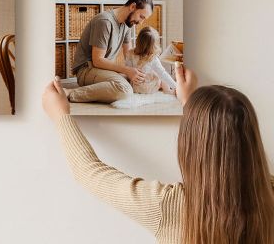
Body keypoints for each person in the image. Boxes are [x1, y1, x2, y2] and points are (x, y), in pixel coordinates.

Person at [43, 64, 274, 243]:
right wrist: (191, 106)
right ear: (251, 136)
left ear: (190, 144)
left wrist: (60, 115)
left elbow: (89, 172)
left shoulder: (169, 204)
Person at [66, 0, 154, 103]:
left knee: (136, 81)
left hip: (103, 70)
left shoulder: (127, 24)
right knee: (124, 90)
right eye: (141, 17)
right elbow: (97, 60)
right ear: (133, 7)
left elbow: (129, 55)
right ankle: (69, 93)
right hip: (87, 69)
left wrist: (145, 66)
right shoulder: (105, 21)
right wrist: (127, 71)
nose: (141, 22)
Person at [124, 26, 176, 94]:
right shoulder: (152, 58)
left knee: (148, 73)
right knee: (160, 75)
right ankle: (168, 91)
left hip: (134, 87)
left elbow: (128, 69)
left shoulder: (130, 53)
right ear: (154, 46)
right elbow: (163, 74)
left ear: (138, 40)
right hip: (147, 87)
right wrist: (175, 86)